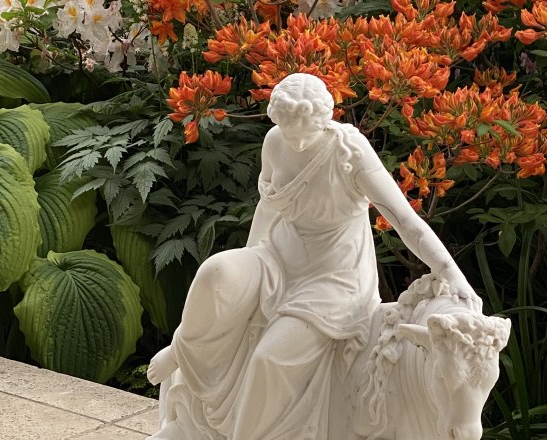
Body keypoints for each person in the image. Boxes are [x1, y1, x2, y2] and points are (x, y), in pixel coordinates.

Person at [146, 73, 481, 440]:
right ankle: (182, 351)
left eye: (307, 131)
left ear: (324, 120)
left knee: (269, 359)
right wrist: (250, 263)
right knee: (217, 273)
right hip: (277, 257)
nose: (299, 141)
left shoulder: (350, 153)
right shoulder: (275, 142)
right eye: (291, 131)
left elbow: (403, 219)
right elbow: (269, 208)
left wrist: (450, 271)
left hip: (333, 279)